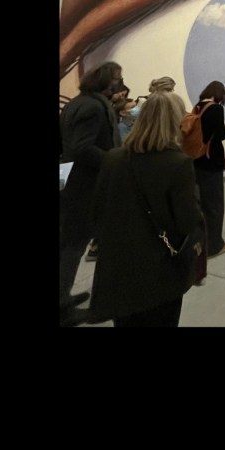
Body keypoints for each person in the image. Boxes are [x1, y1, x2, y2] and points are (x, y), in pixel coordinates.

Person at [88, 91, 202, 327]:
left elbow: (98, 209)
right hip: (160, 272)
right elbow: (186, 222)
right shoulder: (178, 163)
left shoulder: (113, 158)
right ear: (174, 121)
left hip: (118, 269)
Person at [59, 60, 123, 326]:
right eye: (117, 79)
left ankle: (63, 297)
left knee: (70, 244)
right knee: (72, 246)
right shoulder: (93, 107)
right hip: (84, 188)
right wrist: (115, 161)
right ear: (106, 81)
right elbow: (82, 148)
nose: (119, 84)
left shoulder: (77, 103)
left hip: (71, 182)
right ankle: (61, 307)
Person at [192, 81, 225, 260]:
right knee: (214, 204)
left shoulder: (198, 106)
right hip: (211, 160)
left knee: (201, 202)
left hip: (196, 159)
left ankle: (200, 241)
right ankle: (214, 245)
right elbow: (220, 135)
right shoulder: (216, 109)